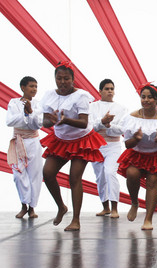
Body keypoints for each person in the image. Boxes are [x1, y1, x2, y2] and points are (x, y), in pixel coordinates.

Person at [40, 61, 107, 231]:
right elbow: (46, 120)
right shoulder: (49, 95)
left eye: (66, 78)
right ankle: (61, 206)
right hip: (61, 140)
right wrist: (51, 121)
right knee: (47, 173)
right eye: (59, 78)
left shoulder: (81, 96)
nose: (62, 82)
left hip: (82, 141)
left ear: (73, 79)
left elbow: (84, 123)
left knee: (74, 177)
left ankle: (76, 220)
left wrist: (65, 120)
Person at [117, 83, 157, 230]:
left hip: (156, 155)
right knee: (131, 173)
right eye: (143, 97)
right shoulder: (132, 117)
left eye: (150, 97)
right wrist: (136, 139)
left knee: (152, 181)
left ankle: (148, 219)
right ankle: (134, 202)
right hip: (136, 154)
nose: (146, 100)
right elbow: (128, 144)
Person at [89, 79, 128, 218]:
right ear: (100, 91)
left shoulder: (122, 108)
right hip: (97, 145)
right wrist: (102, 122)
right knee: (100, 176)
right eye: (106, 88)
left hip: (113, 145)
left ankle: (115, 207)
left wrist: (109, 125)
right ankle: (105, 207)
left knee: (110, 172)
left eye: (112, 88)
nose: (110, 91)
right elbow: (90, 127)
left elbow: (123, 129)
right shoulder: (92, 107)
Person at [6, 76, 43, 219]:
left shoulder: (39, 104)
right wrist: (25, 113)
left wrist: (31, 112)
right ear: (23, 87)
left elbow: (37, 124)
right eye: (31, 86)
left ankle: (32, 207)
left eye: (36, 86)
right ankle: (24, 204)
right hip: (18, 141)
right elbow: (10, 121)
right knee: (18, 175)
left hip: (33, 141)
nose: (34, 89)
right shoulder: (13, 103)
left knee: (35, 175)